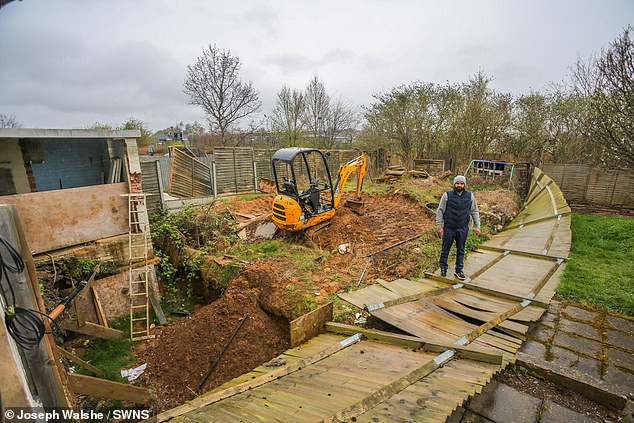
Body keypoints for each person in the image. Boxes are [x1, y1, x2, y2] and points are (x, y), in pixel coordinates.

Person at [436, 175, 481, 280]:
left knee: (461, 249)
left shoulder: (470, 196)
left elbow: (474, 211)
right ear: (454, 184)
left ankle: (459, 269)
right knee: (445, 249)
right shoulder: (447, 195)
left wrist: (477, 226)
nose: (459, 185)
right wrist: (439, 226)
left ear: (464, 184)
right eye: (457, 183)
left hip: (463, 228)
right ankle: (443, 268)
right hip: (449, 227)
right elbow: (440, 210)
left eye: (461, 183)